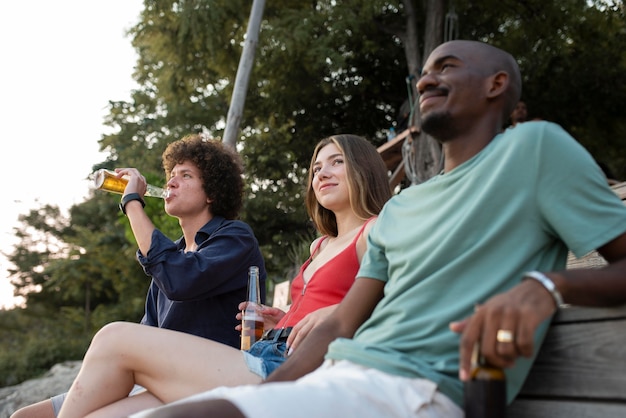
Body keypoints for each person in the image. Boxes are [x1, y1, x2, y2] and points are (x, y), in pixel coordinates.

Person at [129, 40, 626, 418]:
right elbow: (343, 324)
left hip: (417, 390)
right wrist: (266, 396)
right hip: (337, 376)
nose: (427, 80)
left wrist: (547, 285)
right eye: (424, 73)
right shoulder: (403, 207)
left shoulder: (533, 150)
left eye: (447, 68)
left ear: (497, 85)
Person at [54, 134, 392, 418]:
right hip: (268, 353)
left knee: (114, 337)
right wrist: (281, 320)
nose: (321, 174)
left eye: (336, 162)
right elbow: (309, 313)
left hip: (292, 368)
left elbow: (408, 294)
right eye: (316, 168)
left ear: (364, 169)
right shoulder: (320, 246)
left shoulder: (376, 230)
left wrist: (336, 312)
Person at [10, 133, 267, 418]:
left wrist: (132, 202)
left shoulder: (234, 237)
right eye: (171, 174)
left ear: (212, 193)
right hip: (160, 379)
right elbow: (148, 334)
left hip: (211, 375)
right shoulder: (173, 255)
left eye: (185, 175)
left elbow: (180, 281)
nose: (171, 181)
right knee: (25, 416)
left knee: (113, 337)